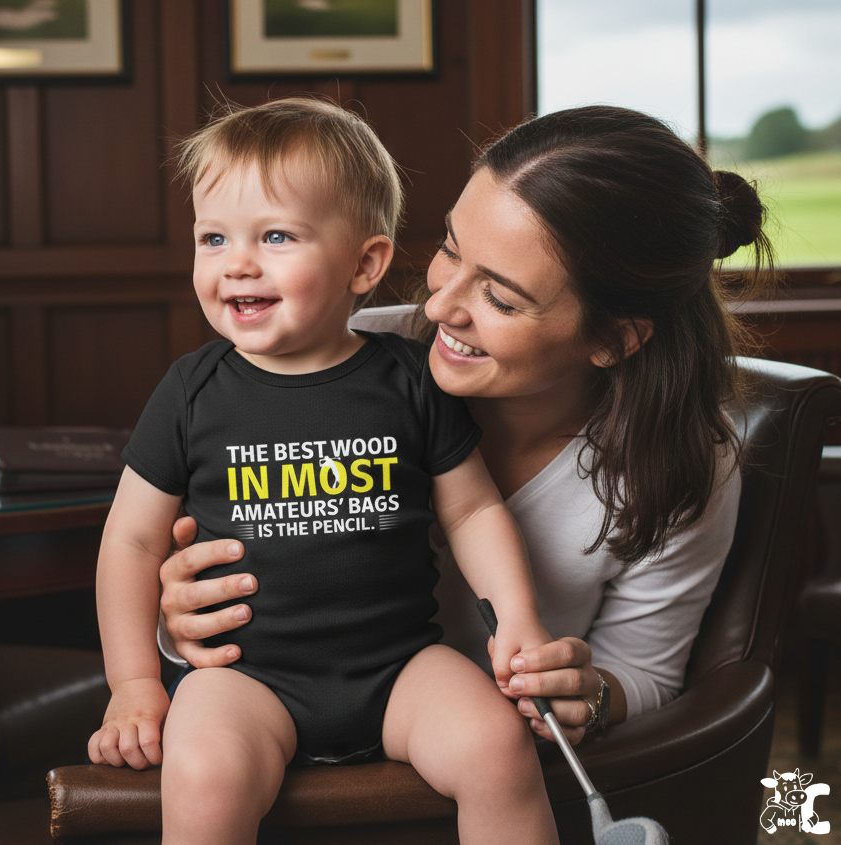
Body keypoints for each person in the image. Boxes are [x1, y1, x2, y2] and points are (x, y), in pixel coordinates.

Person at [157, 104, 775, 749]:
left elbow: (646, 672)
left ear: (614, 339)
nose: (440, 305)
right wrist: (180, 624)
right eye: (451, 249)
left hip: (490, 763)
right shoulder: (337, 354)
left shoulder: (683, 462)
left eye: (501, 299)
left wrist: (589, 694)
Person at [87, 98, 560, 845]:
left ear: (364, 264)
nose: (236, 262)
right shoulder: (191, 390)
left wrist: (521, 619)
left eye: (275, 235)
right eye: (213, 238)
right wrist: (135, 685)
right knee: (203, 773)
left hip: (399, 666)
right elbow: (132, 543)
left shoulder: (410, 379)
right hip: (244, 679)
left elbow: (472, 512)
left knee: (497, 747)